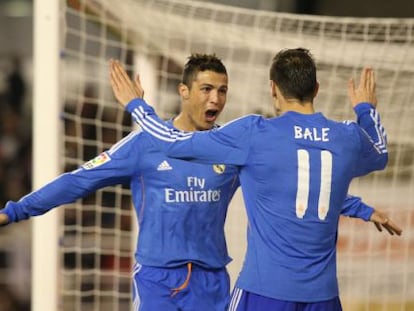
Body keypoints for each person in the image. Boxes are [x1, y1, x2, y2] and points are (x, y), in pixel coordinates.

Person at [0, 54, 400, 311]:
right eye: (207, 89)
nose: (216, 99)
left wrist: (360, 208)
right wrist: (15, 210)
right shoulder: (144, 145)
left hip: (213, 281)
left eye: (223, 91)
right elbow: (77, 182)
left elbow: (293, 181)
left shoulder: (233, 147)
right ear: (184, 91)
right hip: (158, 280)